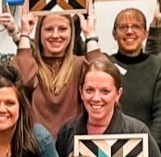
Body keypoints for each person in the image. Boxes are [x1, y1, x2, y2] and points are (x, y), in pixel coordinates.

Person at [13, 7, 107, 138]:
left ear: (71, 33)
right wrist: (24, 34)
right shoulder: (31, 65)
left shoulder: (79, 65)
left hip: (73, 147)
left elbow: (105, 79)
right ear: (39, 33)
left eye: (62, 29)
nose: (55, 35)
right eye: (49, 29)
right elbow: (20, 82)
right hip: (35, 147)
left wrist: (90, 34)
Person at [109, 8, 161, 145]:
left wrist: (149, 149)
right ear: (114, 34)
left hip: (149, 149)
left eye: (136, 27)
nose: (129, 31)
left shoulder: (159, 67)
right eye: (123, 27)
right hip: (108, 148)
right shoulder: (106, 65)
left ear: (145, 34)